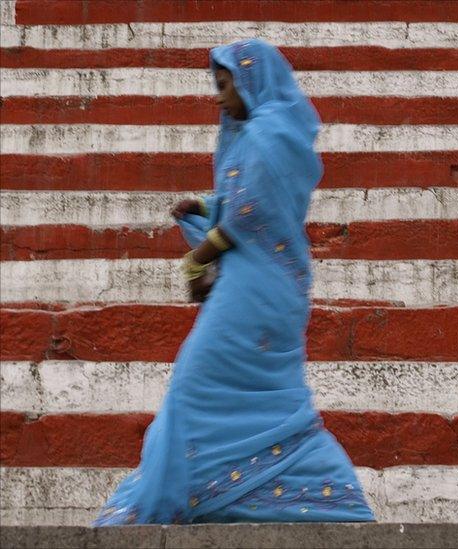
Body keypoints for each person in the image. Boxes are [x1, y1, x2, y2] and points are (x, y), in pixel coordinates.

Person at [93, 39, 374, 525]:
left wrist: (196, 259)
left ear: (250, 81)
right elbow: (242, 198)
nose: (220, 99)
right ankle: (314, 487)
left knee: (190, 388)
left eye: (226, 86)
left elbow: (254, 211)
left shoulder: (269, 134)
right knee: (265, 394)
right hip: (265, 282)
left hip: (256, 289)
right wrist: (203, 209)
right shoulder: (263, 135)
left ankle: (181, 495)